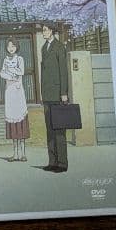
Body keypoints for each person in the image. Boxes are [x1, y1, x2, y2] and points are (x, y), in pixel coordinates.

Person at [39, 24, 69, 173]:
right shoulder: (44, 48)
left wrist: (64, 93)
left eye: (45, 30)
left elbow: (63, 71)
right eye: (42, 30)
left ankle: (62, 164)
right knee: (50, 130)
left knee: (59, 130)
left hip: (57, 94)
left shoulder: (59, 47)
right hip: (47, 95)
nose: (43, 32)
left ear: (51, 31)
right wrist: (42, 93)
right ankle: (52, 162)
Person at [0, 38, 29, 162]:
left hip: (18, 91)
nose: (11, 48)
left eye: (13, 46)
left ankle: (23, 153)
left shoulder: (20, 59)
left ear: (17, 47)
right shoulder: (5, 60)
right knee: (12, 122)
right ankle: (15, 154)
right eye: (9, 46)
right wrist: (12, 74)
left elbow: (21, 72)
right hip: (9, 92)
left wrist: (10, 72)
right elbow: (2, 73)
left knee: (20, 121)